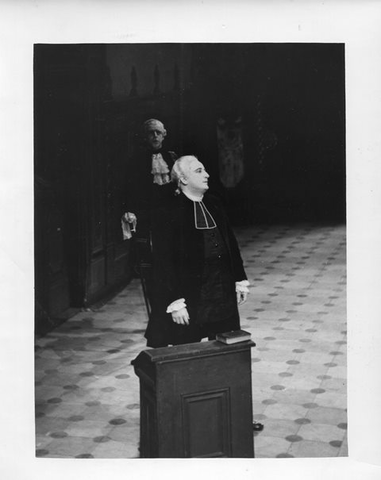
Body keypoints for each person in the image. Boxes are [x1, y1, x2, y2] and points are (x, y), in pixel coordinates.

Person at [145, 154, 250, 348]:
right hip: (189, 295)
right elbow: (163, 261)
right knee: (187, 352)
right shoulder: (168, 211)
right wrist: (175, 301)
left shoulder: (214, 203)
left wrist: (239, 279)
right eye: (199, 171)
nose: (207, 175)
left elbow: (231, 244)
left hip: (220, 291)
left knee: (227, 347)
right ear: (183, 179)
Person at [121, 118, 178, 241]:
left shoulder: (172, 157)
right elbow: (129, 187)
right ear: (145, 136)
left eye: (158, 132)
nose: (155, 136)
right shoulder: (136, 160)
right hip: (146, 210)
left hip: (170, 209)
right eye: (151, 133)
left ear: (164, 135)